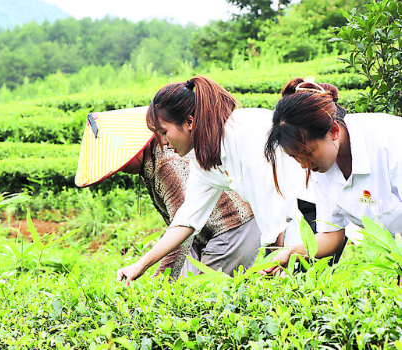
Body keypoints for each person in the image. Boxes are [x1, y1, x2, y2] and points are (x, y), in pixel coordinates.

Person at [117, 75, 310, 284]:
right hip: (291, 221)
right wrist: (139, 265)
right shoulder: (204, 161)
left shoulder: (242, 134)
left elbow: (271, 204)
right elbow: (186, 220)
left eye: (164, 132)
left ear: (189, 122)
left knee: (302, 289)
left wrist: (275, 257)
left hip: (309, 206)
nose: (163, 142)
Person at [262, 76, 402, 276]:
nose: (304, 165)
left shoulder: (391, 143)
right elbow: (332, 235)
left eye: (308, 153)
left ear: (334, 131)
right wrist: (291, 251)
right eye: (296, 158)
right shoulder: (324, 167)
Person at [122, 137, 262, 279]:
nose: (122, 167)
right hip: (201, 232)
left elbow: (183, 227)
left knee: (205, 294)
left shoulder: (167, 165)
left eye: (124, 158)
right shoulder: (152, 162)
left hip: (232, 225)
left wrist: (161, 282)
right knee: (187, 289)